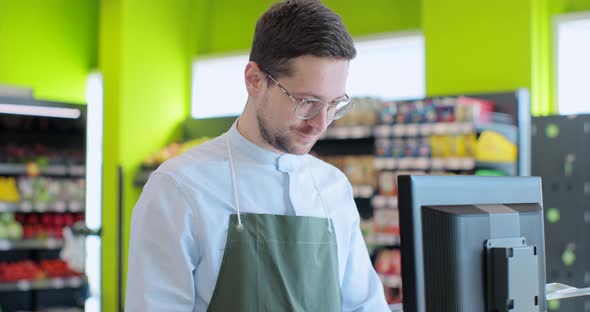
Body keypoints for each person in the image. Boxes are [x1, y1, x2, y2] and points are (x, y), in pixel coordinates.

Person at [125, 0, 390, 311]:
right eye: (306, 102)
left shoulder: (333, 187)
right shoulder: (178, 188)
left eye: (335, 105)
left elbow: (364, 305)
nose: (321, 123)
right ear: (254, 80)